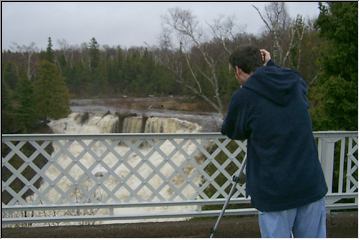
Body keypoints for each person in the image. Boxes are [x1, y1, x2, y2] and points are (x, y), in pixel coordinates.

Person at [221, 46, 328, 238]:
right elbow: (290, 84)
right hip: (309, 183)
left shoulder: (244, 96)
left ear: (238, 70)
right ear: (262, 62)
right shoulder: (293, 81)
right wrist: (271, 65)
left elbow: (231, 130)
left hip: (274, 192)